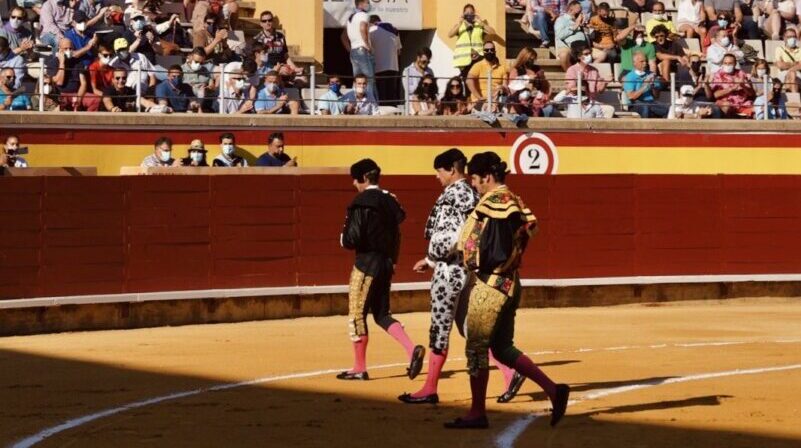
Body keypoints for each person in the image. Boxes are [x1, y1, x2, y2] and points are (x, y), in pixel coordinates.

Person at [444, 152, 569, 429]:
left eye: (475, 180)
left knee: (476, 348)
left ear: (486, 177)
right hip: (511, 282)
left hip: (491, 284)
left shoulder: (497, 203)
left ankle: (477, 412)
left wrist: (478, 261)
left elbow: (496, 249)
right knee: (501, 348)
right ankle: (553, 389)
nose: (474, 185)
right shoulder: (513, 200)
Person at [400, 148, 506, 405]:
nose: (437, 177)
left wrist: (432, 257)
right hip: (466, 270)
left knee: (440, 327)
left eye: (439, 171)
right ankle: (510, 372)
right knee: (470, 329)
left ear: (451, 170)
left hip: (448, 272)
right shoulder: (471, 193)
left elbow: (450, 236)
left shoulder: (453, 195)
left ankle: (429, 388)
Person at [338, 158, 425, 381]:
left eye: (355, 181)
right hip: (387, 263)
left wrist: (343, 238)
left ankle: (359, 368)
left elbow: (351, 239)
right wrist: (393, 261)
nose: (355, 185)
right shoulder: (390, 201)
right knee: (382, 314)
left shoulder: (361, 202)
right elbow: (397, 234)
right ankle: (411, 348)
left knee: (357, 315)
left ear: (364, 179)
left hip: (366, 265)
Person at [449, 3, 496, 78]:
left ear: (474, 14)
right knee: (467, 82)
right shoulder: (460, 26)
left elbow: (493, 32)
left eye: (471, 13)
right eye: (467, 13)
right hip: (464, 61)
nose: (469, 15)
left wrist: (481, 22)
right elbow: (450, 35)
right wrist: (460, 23)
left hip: (478, 58)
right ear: (463, 14)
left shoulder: (479, 25)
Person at [342, 0, 376, 99]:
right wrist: (368, 45)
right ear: (361, 4)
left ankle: (357, 102)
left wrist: (350, 49)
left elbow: (343, 36)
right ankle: (370, 102)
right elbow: (362, 28)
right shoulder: (363, 15)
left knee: (358, 80)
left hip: (354, 51)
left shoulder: (350, 18)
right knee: (368, 80)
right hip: (362, 50)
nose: (369, 4)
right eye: (367, 2)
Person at [466, 41, 509, 112]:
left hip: (496, 101)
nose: (489, 52)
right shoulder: (478, 66)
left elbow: (505, 86)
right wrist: (479, 97)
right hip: (480, 101)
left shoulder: (502, 68)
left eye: (491, 50)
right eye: (486, 50)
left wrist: (502, 88)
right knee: (488, 109)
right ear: (483, 52)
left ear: (495, 51)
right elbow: (469, 80)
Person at [623, 52, 669, 118]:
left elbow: (656, 96)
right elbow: (631, 96)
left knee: (668, 109)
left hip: (650, 102)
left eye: (646, 61)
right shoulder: (630, 76)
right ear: (634, 63)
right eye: (642, 61)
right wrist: (645, 86)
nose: (645, 63)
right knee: (645, 108)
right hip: (635, 103)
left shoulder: (650, 74)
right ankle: (645, 128)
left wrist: (654, 85)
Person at [369, 15, 401, 106]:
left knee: (381, 95)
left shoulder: (372, 30)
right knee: (391, 94)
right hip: (394, 67)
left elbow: (367, 49)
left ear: (371, 23)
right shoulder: (394, 30)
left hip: (379, 67)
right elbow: (399, 51)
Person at [711, 52, 754, 117]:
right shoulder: (718, 75)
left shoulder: (741, 73)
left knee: (758, 110)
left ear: (735, 64)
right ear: (722, 64)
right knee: (726, 106)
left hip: (742, 104)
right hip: (726, 103)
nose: (727, 65)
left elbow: (750, 94)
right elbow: (715, 95)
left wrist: (743, 85)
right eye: (725, 63)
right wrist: (732, 88)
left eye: (730, 63)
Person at [554, 1, 589, 70]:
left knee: (601, 55)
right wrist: (574, 26)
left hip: (583, 47)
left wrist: (585, 27)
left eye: (581, 8)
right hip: (567, 47)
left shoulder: (580, 20)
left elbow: (588, 35)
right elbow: (559, 35)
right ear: (571, 8)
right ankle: (571, 76)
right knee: (563, 55)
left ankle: (588, 74)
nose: (580, 10)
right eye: (578, 8)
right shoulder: (561, 19)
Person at [774, 28, 801, 93]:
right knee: (793, 76)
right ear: (784, 38)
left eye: (794, 36)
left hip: (798, 75)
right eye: (789, 37)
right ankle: (795, 99)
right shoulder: (779, 49)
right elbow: (780, 65)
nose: (792, 39)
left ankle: (793, 99)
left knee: (793, 76)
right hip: (783, 75)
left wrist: (788, 67)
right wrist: (795, 64)